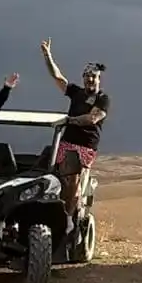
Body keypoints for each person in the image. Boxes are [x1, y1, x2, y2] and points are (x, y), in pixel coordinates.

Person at [40, 39, 109, 224]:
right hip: (66, 142)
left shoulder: (103, 99)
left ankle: (69, 220)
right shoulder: (76, 93)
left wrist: (70, 120)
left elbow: (92, 118)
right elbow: (58, 78)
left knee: (73, 181)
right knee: (51, 173)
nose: (90, 80)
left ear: (99, 79)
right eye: (87, 76)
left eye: (93, 77)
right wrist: (48, 55)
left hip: (84, 146)